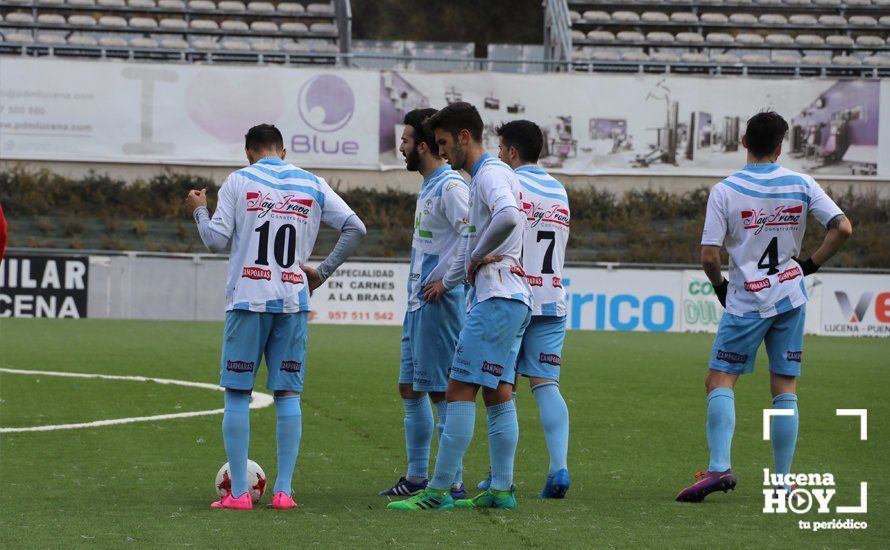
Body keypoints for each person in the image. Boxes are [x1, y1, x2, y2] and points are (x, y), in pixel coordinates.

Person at [186, 124, 366, 510]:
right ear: (283, 151)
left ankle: (238, 496)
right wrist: (323, 270)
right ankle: (284, 492)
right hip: (292, 302)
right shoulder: (313, 183)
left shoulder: (240, 180)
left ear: (248, 152)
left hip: (248, 302)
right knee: (288, 396)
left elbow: (216, 240)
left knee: (237, 394)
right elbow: (356, 227)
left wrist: (200, 211)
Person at [676, 111, 852, 503]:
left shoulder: (725, 189)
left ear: (743, 142)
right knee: (784, 387)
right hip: (790, 297)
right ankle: (782, 481)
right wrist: (808, 266)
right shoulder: (802, 183)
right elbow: (842, 227)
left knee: (719, 381)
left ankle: (719, 467)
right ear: (779, 146)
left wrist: (721, 287)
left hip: (747, 301)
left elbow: (708, 256)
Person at [387, 102, 532, 511]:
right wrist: (457, 272)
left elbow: (508, 217)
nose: (442, 150)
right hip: (513, 296)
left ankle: (439, 491)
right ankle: (502, 489)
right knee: (499, 392)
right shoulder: (488, 175)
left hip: (498, 295)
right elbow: (476, 234)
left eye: (446, 142)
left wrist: (476, 257)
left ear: (464, 137)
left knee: (457, 389)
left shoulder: (486, 174)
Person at [378, 108, 470, 500]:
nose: (401, 147)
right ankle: (416, 477)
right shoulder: (430, 185)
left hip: (438, 305)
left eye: (405, 140)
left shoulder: (451, 186)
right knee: (409, 388)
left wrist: (448, 280)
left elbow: (474, 234)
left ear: (423, 145)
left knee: (442, 392)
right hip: (417, 304)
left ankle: (452, 480)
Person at [478, 119, 572, 499]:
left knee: (503, 389)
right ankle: (559, 468)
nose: (498, 156)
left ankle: (500, 475)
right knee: (547, 385)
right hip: (552, 298)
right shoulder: (559, 189)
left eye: (501, 149)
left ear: (512, 152)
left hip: (514, 294)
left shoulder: (509, 184)